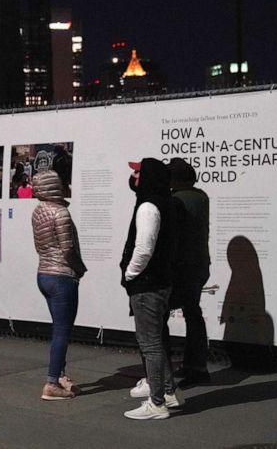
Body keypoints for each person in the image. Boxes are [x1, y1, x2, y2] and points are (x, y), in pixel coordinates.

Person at [120, 158, 182, 420]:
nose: (134, 176)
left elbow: (144, 248)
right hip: (159, 282)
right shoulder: (166, 203)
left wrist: (130, 274)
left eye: (138, 172)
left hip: (147, 284)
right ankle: (167, 392)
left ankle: (157, 402)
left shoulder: (148, 206)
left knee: (150, 344)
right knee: (156, 341)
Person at [31, 170, 87, 401]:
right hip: (62, 277)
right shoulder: (61, 213)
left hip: (43, 273)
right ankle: (52, 382)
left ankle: (60, 376)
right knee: (62, 331)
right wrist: (80, 268)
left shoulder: (38, 211)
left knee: (57, 328)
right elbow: (68, 249)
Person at [168, 157, 211, 386]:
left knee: (161, 314)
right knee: (193, 313)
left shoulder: (176, 200)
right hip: (199, 265)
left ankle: (162, 371)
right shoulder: (201, 197)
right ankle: (197, 365)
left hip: (180, 267)